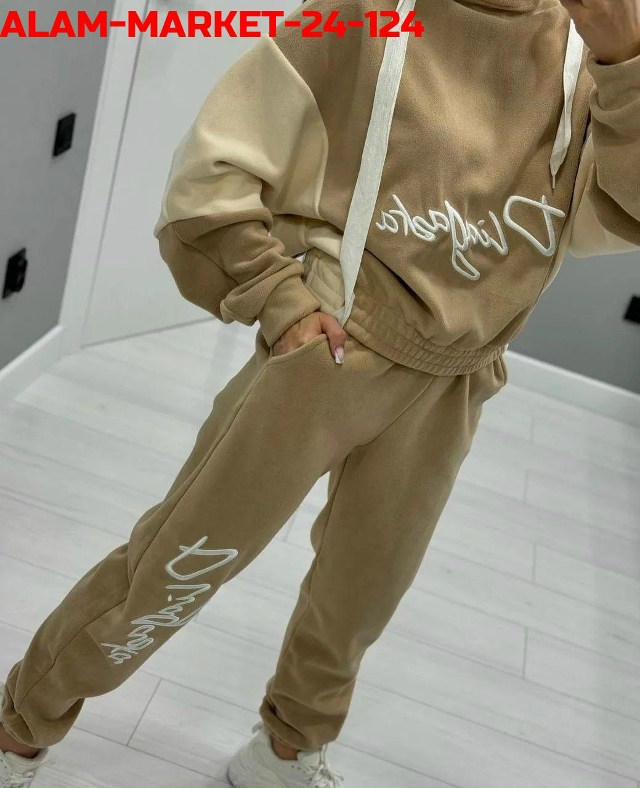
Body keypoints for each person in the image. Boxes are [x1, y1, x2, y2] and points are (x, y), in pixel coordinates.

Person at [1, 0, 639, 785]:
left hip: (455, 380)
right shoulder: (366, 13)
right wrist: (278, 297)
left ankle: (285, 752)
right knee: (177, 567)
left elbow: (626, 213)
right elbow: (213, 169)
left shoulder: (593, 43)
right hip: (331, 355)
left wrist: (624, 64)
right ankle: (20, 727)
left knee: (359, 597)